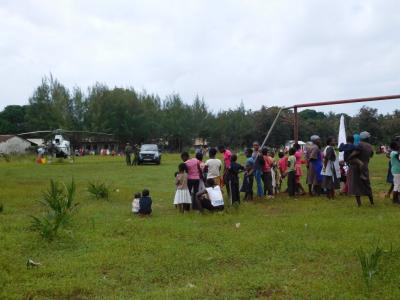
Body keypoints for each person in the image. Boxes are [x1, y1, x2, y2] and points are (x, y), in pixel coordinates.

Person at [347, 131, 374, 206]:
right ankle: (372, 202)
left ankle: (359, 204)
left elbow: (355, 153)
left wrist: (349, 157)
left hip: (356, 167)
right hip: (365, 166)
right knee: (367, 184)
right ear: (366, 138)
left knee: (356, 185)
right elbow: (371, 155)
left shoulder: (360, 145)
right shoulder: (370, 146)